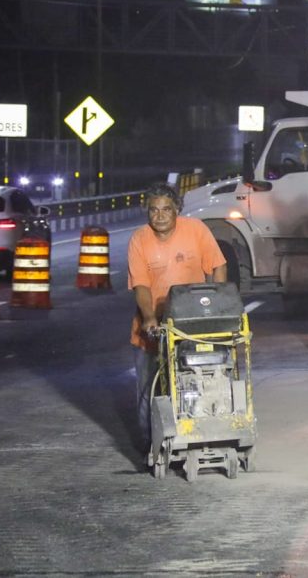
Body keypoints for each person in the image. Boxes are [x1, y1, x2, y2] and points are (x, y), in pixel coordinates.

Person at [127, 183, 227, 454]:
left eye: (166, 210)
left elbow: (218, 266)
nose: (159, 216)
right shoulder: (139, 239)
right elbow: (141, 285)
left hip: (191, 326)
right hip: (154, 328)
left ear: (177, 211)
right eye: (153, 210)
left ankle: (202, 437)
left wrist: (219, 306)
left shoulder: (196, 231)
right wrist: (149, 318)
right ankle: (151, 448)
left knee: (200, 379)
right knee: (149, 390)